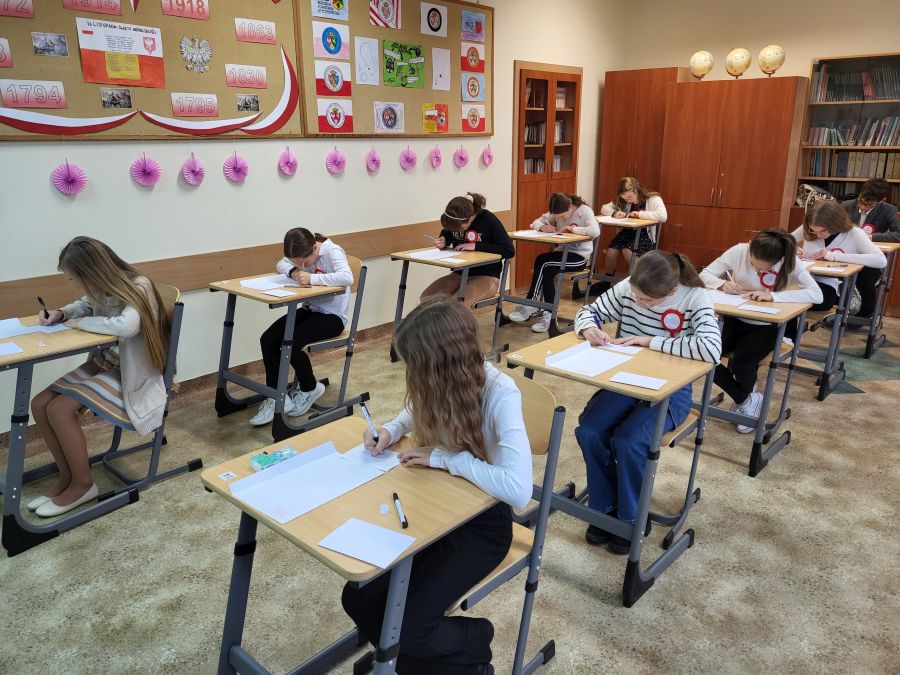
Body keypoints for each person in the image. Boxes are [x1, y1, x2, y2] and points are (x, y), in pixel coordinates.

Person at [342, 296, 532, 674]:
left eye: (416, 366)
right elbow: (414, 410)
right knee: (359, 598)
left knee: (411, 628)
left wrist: (445, 459)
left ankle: (475, 640)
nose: (412, 375)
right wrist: (391, 429)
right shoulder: (443, 380)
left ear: (443, 364)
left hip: (481, 527)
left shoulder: (500, 392)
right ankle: (406, 660)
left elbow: (518, 489)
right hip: (436, 510)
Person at [573, 250, 721, 554]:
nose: (639, 303)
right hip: (625, 381)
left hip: (672, 390)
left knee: (629, 441)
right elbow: (590, 311)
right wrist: (589, 328)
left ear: (672, 290)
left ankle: (631, 517)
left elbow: (710, 349)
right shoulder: (630, 287)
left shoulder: (695, 297)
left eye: (648, 301)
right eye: (637, 297)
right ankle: (604, 506)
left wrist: (650, 341)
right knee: (589, 430)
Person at [28, 237, 170, 517]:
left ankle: (83, 485)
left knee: (59, 409)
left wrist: (77, 322)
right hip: (109, 361)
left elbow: (126, 326)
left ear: (93, 272)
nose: (77, 285)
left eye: (77, 278)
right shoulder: (103, 288)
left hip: (134, 372)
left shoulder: (139, 284)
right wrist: (61, 314)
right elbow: (84, 304)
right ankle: (68, 476)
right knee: (40, 403)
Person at [700, 230, 822, 432]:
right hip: (734, 318)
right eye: (752, 264)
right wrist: (722, 284)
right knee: (703, 355)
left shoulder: (790, 262)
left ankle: (746, 398)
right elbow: (704, 274)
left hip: (767, 326)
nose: (756, 271)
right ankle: (747, 399)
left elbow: (817, 295)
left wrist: (774, 296)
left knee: (742, 365)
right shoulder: (739, 250)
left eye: (762, 268)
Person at [249, 228, 353, 426]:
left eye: (304, 262)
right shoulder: (301, 253)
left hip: (333, 317)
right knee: (268, 339)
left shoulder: (332, 251)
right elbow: (281, 263)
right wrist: (294, 271)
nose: (303, 266)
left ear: (314, 248)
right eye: (298, 263)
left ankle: (309, 387)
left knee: (289, 343)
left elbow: (347, 277)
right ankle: (276, 395)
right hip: (309, 310)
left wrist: (312, 278)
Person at [507, 192, 599, 332]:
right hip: (562, 253)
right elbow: (536, 222)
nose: (560, 219)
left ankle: (531, 303)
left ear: (570, 206)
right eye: (557, 217)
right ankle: (549, 314)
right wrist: (542, 227)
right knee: (544, 266)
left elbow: (595, 231)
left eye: (562, 216)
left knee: (544, 263)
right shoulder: (557, 212)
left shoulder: (585, 211)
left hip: (579, 257)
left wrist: (573, 229)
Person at [576, 177, 667, 298]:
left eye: (629, 197)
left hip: (644, 235)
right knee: (611, 251)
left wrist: (639, 214)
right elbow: (604, 208)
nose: (628, 201)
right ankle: (606, 282)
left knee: (627, 250)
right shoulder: (623, 200)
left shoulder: (653, 199)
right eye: (625, 198)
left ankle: (637, 283)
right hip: (627, 232)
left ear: (635, 190)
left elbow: (663, 216)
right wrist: (614, 213)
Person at [791, 200, 886, 316]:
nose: (818, 235)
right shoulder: (810, 227)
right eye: (813, 230)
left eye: (823, 231)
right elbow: (782, 242)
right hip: (805, 278)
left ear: (835, 224)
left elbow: (881, 260)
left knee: (820, 301)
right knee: (789, 297)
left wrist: (833, 256)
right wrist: (792, 249)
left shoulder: (854, 233)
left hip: (831, 282)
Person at [421, 192, 515, 306]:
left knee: (458, 304)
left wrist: (475, 246)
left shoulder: (488, 219)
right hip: (460, 274)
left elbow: (508, 250)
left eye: (460, 228)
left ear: (470, 218)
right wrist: (444, 239)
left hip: (487, 276)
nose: (457, 231)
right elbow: (448, 232)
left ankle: (458, 318)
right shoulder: (456, 222)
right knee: (427, 297)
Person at [841, 178, 900, 317]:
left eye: (869, 204)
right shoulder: (846, 205)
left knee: (865, 280)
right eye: (861, 201)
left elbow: (898, 234)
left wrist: (870, 237)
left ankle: (864, 315)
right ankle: (842, 311)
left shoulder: (889, 210)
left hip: (871, 257)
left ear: (881, 200)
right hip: (846, 253)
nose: (862, 207)